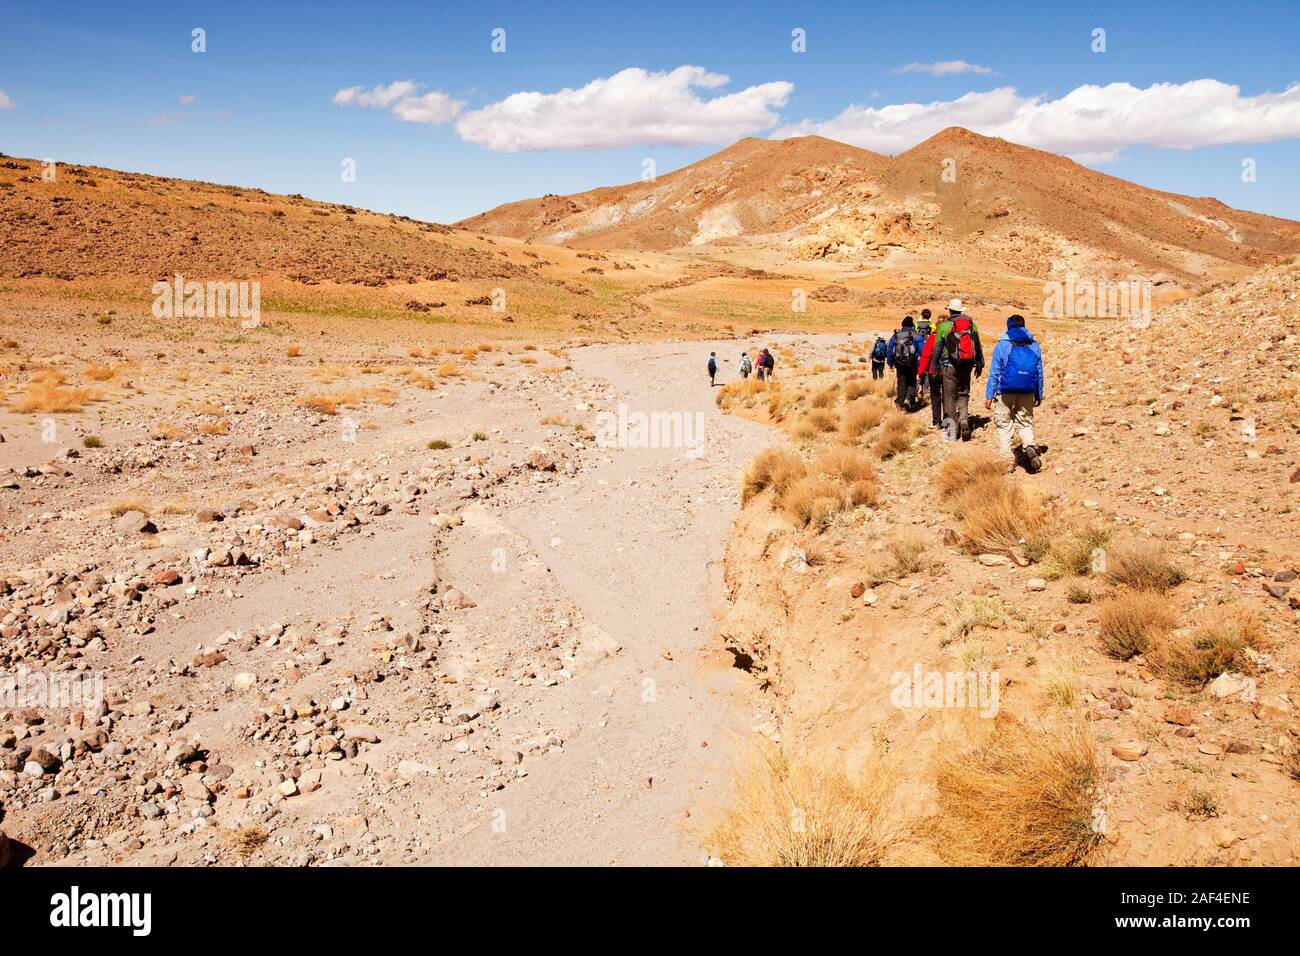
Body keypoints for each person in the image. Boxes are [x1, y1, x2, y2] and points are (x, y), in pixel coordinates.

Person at [985, 314, 1044, 473]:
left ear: (1009, 327)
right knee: (1024, 422)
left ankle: (1007, 462)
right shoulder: (1034, 345)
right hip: (1027, 391)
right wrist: (1038, 394)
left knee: (1004, 425)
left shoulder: (1002, 344)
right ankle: (1030, 445)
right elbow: (1038, 372)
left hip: (1005, 392)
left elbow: (995, 372)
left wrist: (989, 395)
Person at [930, 298, 984, 440]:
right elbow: (977, 345)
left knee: (949, 396)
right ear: (961, 310)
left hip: (949, 365)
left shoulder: (944, 326)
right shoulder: (972, 325)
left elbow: (937, 348)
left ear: (950, 310)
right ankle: (964, 418)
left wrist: (934, 366)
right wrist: (980, 364)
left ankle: (952, 431)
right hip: (966, 365)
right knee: (963, 393)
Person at [916, 308, 943, 428]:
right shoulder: (952, 337)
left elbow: (925, 356)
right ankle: (949, 419)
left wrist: (920, 372)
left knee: (935, 396)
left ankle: (936, 422)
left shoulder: (933, 338)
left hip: (934, 370)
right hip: (949, 371)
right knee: (948, 396)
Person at [886, 316, 920, 411]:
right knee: (912, 381)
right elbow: (923, 350)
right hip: (912, 363)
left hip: (899, 363)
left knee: (901, 382)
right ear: (912, 325)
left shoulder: (896, 336)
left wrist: (890, 363)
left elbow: (890, 351)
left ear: (902, 325)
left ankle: (900, 402)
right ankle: (910, 400)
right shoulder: (916, 336)